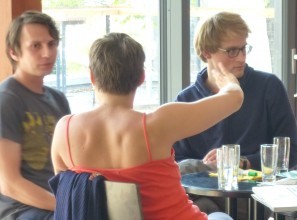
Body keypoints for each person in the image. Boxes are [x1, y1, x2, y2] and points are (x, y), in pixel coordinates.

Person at [50, 33, 240, 219]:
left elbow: (66, 191)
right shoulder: (158, 124)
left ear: (92, 76)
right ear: (142, 77)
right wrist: (227, 79)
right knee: (220, 216)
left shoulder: (64, 130)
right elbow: (235, 98)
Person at [173, 11, 297, 172]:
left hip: (258, 192)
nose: (241, 58)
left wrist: (240, 162)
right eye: (232, 51)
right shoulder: (186, 99)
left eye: (243, 49)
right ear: (207, 52)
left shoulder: (269, 87)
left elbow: (291, 153)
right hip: (204, 193)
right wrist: (208, 167)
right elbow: (177, 162)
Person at [0, 11, 71, 219]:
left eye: (52, 44)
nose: (47, 53)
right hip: (20, 209)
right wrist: (66, 205)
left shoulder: (58, 99)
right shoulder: (7, 99)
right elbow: (9, 183)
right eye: (36, 46)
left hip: (55, 201)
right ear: (14, 52)